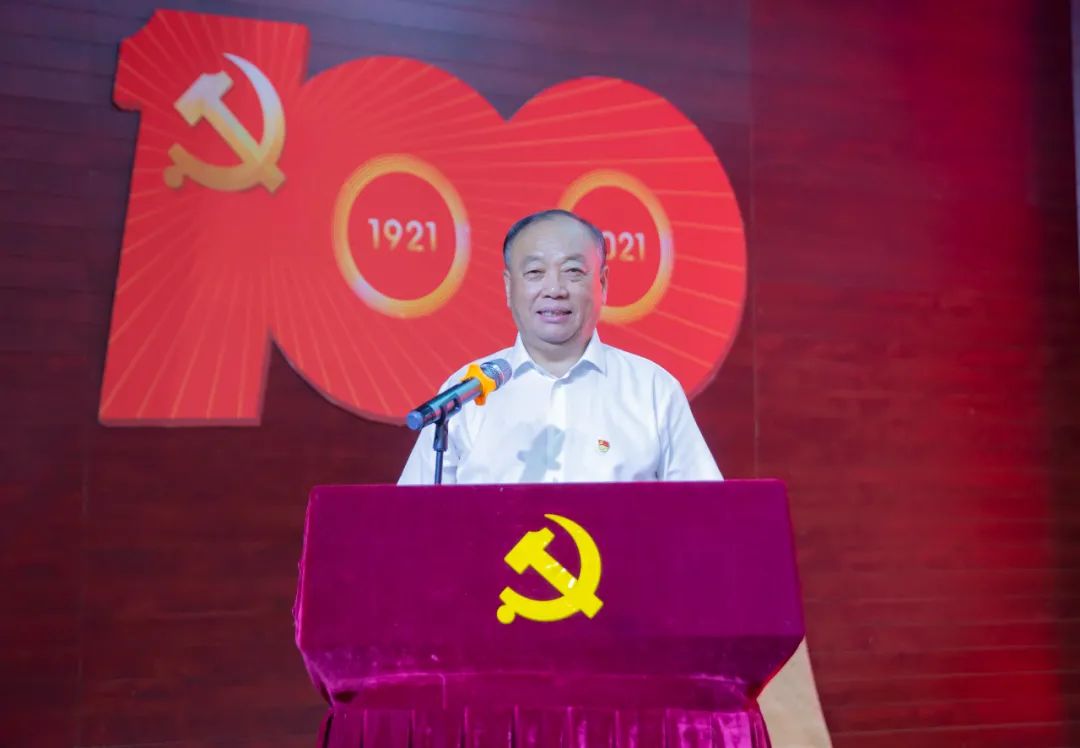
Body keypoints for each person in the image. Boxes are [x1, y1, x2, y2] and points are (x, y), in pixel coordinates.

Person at [398, 208, 722, 485]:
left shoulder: (652, 390)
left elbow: (707, 514)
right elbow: (411, 521)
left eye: (573, 271)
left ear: (602, 284)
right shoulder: (465, 394)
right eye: (535, 272)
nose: (554, 289)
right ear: (509, 287)